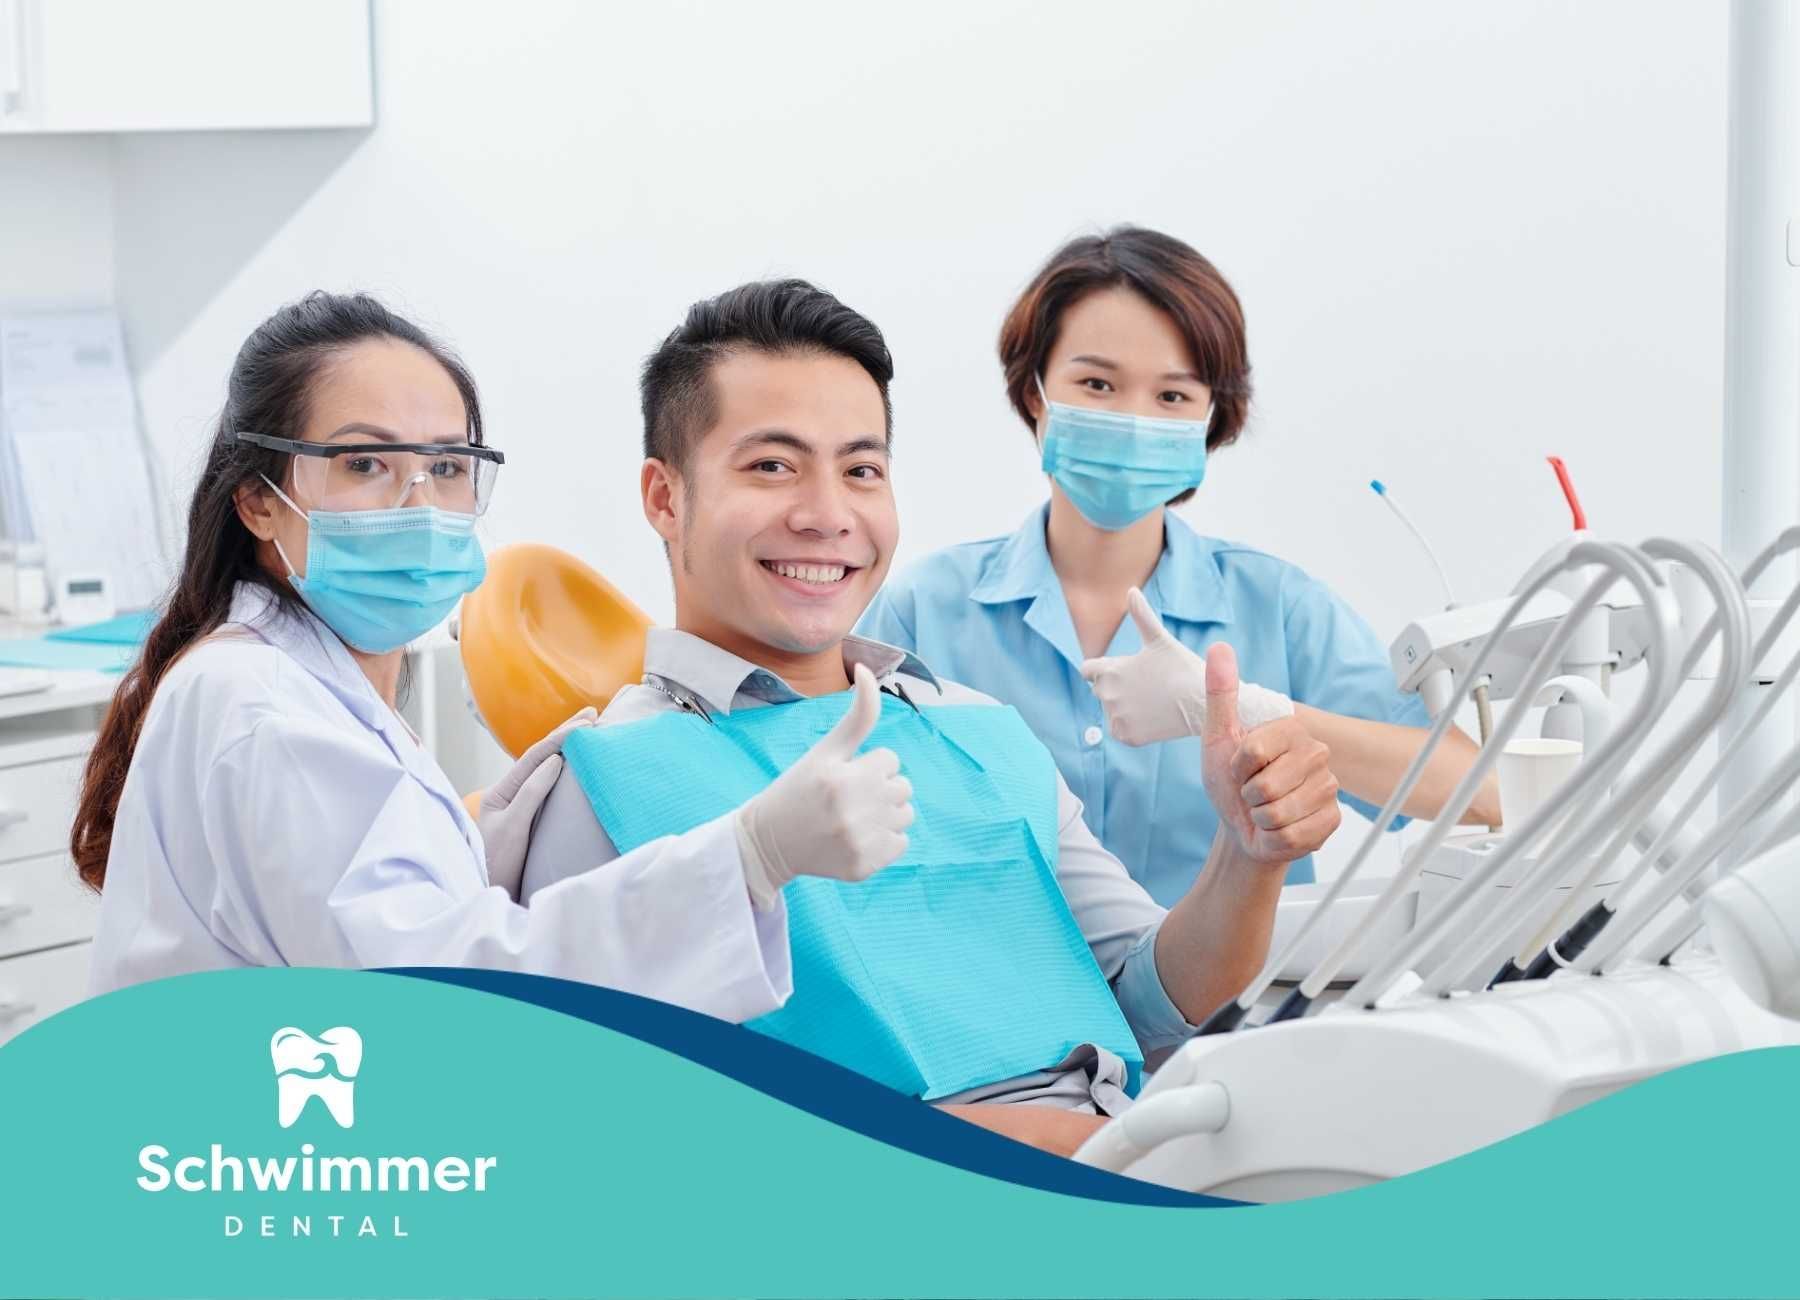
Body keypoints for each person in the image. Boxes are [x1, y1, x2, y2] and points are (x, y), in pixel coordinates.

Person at [521, 279, 1341, 1156]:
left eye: (861, 470)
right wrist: (994, 1143)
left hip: (1131, 1156)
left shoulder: (977, 730)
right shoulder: (607, 777)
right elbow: (608, 1127)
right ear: (665, 498)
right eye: (772, 466)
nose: (827, 515)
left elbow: (1148, 996)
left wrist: (1248, 855)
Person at [78, 291, 868, 1020]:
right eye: (364, 464)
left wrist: (475, 843)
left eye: (448, 467)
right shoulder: (267, 710)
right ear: (257, 498)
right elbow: (443, 997)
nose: (419, 504)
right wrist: (749, 855)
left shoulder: (299, 678)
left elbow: (357, 917)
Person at [858, 226, 1499, 906]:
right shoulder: (925, 610)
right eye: (1097, 383)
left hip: (1242, 980)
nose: (1133, 420)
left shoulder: (1279, 607)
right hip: (995, 974)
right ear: (1036, 392)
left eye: (1171, 397)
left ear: (1211, 417)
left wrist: (1247, 711)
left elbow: (1486, 792)